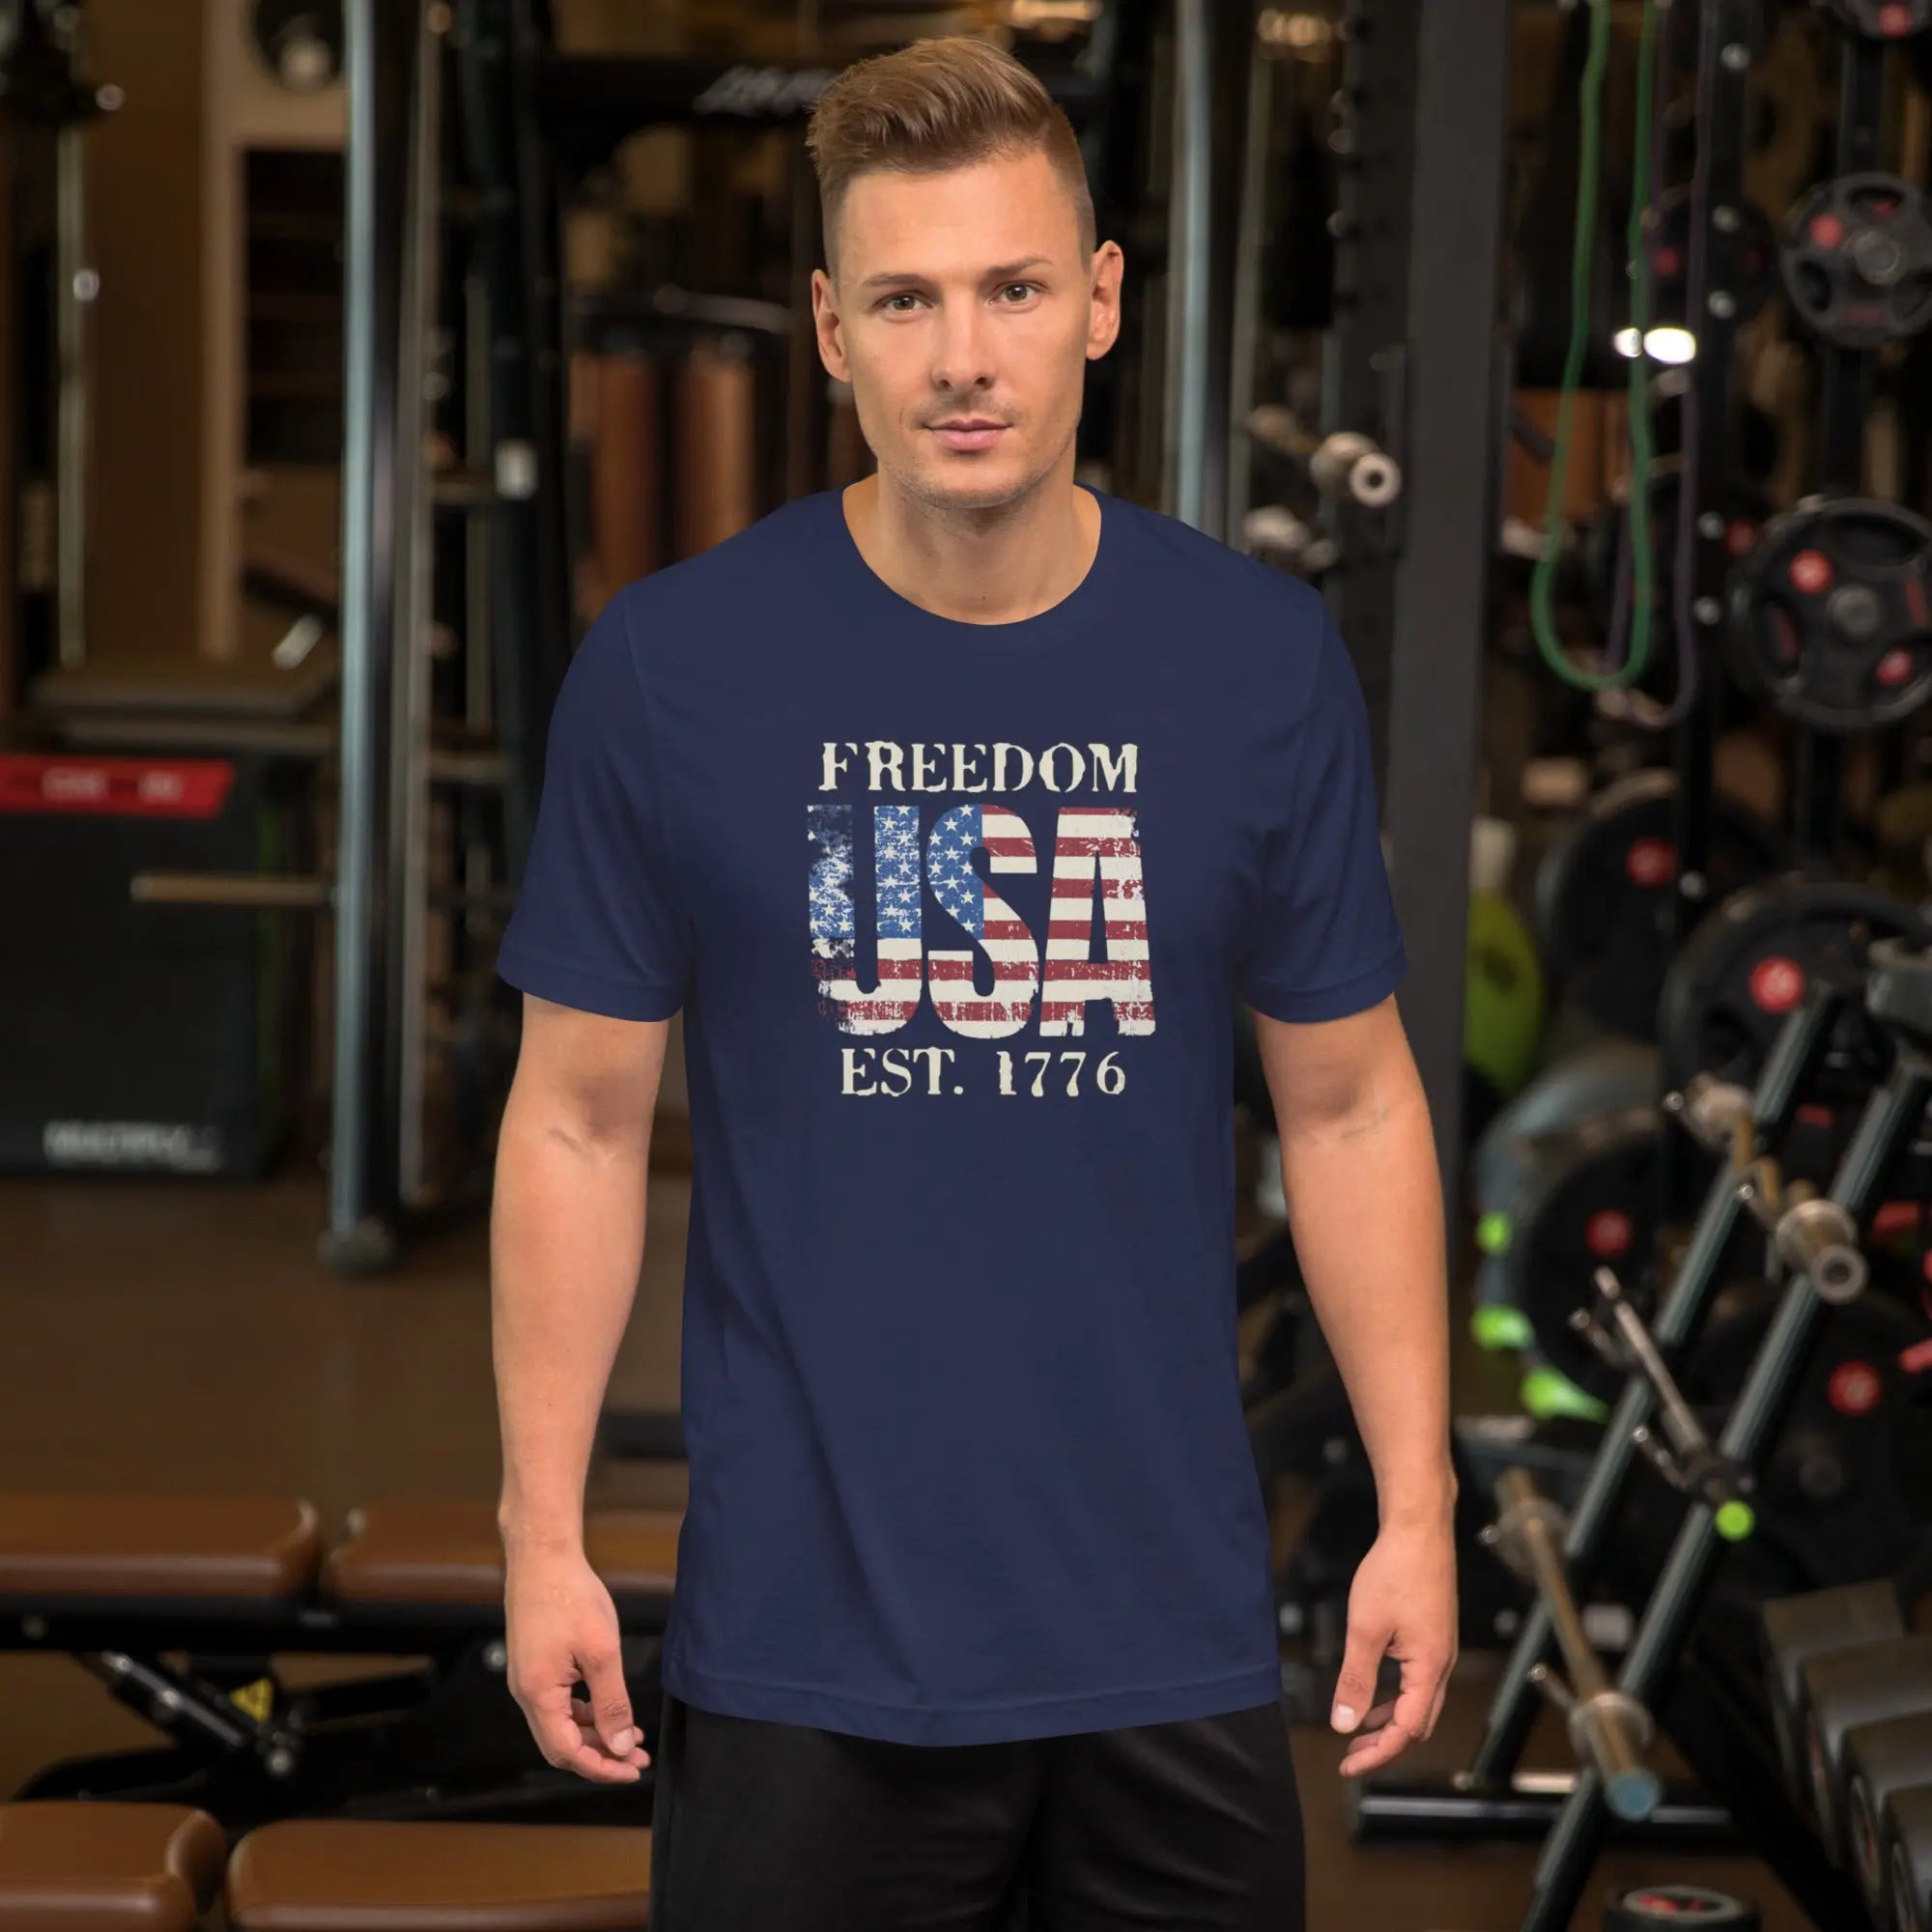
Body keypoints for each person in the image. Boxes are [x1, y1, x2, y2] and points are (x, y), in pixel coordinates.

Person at [490, 32, 1455, 1932]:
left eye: (1013, 288)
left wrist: (1412, 1511)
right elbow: (578, 1120)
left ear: (1098, 304)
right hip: (804, 1647)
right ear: (831, 328)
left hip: (1163, 1638)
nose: (962, 357)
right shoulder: (676, 669)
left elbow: (1350, 1101)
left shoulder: (1254, 666)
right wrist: (541, 1534)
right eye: (908, 300)